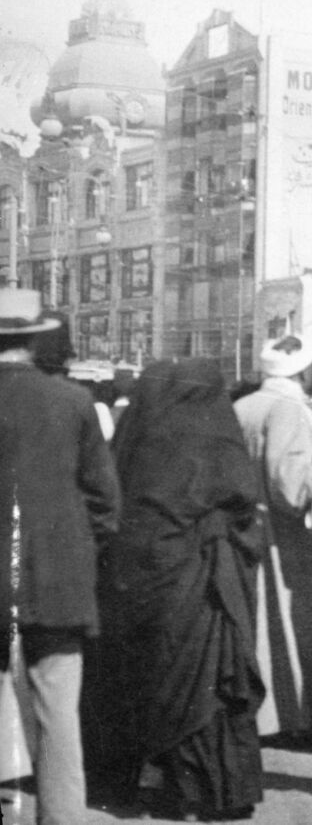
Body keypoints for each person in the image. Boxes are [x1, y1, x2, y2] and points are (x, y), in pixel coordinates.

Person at [94, 359, 265, 819]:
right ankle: (202, 790)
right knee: (206, 683)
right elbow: (242, 494)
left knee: (146, 674)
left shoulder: (134, 436)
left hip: (138, 573)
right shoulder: (216, 436)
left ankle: (144, 776)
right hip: (202, 577)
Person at [0, 288, 120, 825]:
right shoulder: (72, 401)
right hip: (58, 579)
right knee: (58, 712)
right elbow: (105, 501)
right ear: (33, 340)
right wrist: (80, 549)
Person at [234, 334, 312, 742]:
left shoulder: (243, 406)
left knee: (258, 624)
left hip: (247, 528)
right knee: (292, 623)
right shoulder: (289, 410)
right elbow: (292, 489)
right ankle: (293, 715)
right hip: (285, 536)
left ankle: (261, 714)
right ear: (301, 372)